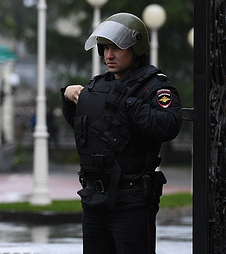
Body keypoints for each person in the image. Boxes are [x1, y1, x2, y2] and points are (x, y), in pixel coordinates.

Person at [61, 13, 182, 254]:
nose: (108, 55)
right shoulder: (98, 85)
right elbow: (87, 133)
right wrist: (69, 99)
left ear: (135, 49)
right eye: (104, 48)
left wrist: (129, 104)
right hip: (94, 201)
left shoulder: (156, 86)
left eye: (116, 48)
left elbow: (168, 126)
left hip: (132, 201)